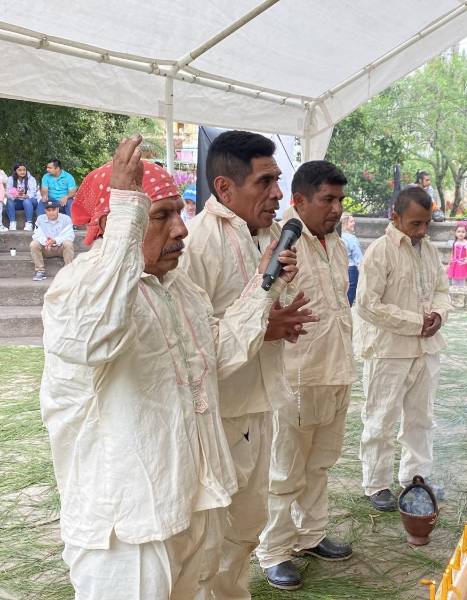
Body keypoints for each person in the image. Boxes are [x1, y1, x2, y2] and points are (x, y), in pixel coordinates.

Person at [39, 135, 298, 599]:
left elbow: (218, 356)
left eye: (180, 213)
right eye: (161, 216)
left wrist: (263, 283)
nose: (181, 229)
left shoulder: (179, 291)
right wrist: (125, 210)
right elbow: (94, 337)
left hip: (193, 505)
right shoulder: (78, 290)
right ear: (118, 222)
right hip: (128, 528)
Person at [180, 130, 317, 599]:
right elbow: (195, 347)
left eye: (277, 180)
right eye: (266, 181)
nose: (278, 193)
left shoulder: (270, 237)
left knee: (247, 525)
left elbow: (260, 310)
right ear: (225, 189)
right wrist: (266, 324)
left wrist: (278, 320)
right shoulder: (198, 242)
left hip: (258, 404)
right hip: (218, 415)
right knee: (212, 535)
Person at [257, 161, 357, 590]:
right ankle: (274, 550)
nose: (335, 209)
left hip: (336, 370)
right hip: (297, 375)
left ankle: (311, 534)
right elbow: (264, 305)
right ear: (297, 201)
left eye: (339, 200)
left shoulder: (335, 242)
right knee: (285, 470)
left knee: (321, 463)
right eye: (326, 200)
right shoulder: (284, 242)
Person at [354, 186, 452, 511]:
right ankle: (376, 483)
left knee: (421, 418)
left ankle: (415, 478)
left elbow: (442, 289)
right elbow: (368, 305)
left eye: (427, 224)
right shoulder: (380, 251)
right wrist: (414, 322)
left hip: (426, 349)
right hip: (389, 351)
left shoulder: (430, 250)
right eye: (415, 224)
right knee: (381, 418)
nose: (422, 231)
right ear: (394, 217)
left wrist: (438, 313)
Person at [30, 200, 74, 281]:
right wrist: (46, 242)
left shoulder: (66, 218)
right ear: (45, 210)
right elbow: (36, 235)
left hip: (61, 248)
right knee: (34, 244)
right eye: (48, 210)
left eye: (53, 210)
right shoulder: (40, 219)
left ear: (58, 209)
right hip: (46, 248)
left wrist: (54, 241)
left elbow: (69, 235)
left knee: (68, 243)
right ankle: (40, 271)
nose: (51, 212)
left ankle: (68, 271)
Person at [4, 163, 40, 231]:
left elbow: (33, 192)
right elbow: (8, 192)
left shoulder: (31, 178)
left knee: (26, 201)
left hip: (30, 202)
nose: (22, 172)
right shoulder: (10, 179)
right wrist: (16, 195)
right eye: (19, 170)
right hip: (17, 202)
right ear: (15, 171)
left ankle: (29, 223)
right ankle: (12, 223)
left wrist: (26, 196)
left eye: (24, 170)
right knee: (9, 201)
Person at [340, 212, 363, 306]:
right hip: (351, 271)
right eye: (351, 221)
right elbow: (359, 259)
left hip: (341, 268)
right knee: (348, 300)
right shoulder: (351, 239)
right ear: (345, 224)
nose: (354, 223)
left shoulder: (338, 237)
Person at [447, 221, 467, 287]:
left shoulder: (466, 243)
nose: (461, 233)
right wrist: (449, 262)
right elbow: (452, 253)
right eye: (459, 231)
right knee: (454, 278)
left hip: (462, 263)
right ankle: (454, 288)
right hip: (454, 263)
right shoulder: (454, 242)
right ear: (455, 233)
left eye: (463, 232)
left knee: (461, 278)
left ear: (465, 234)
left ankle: (461, 288)